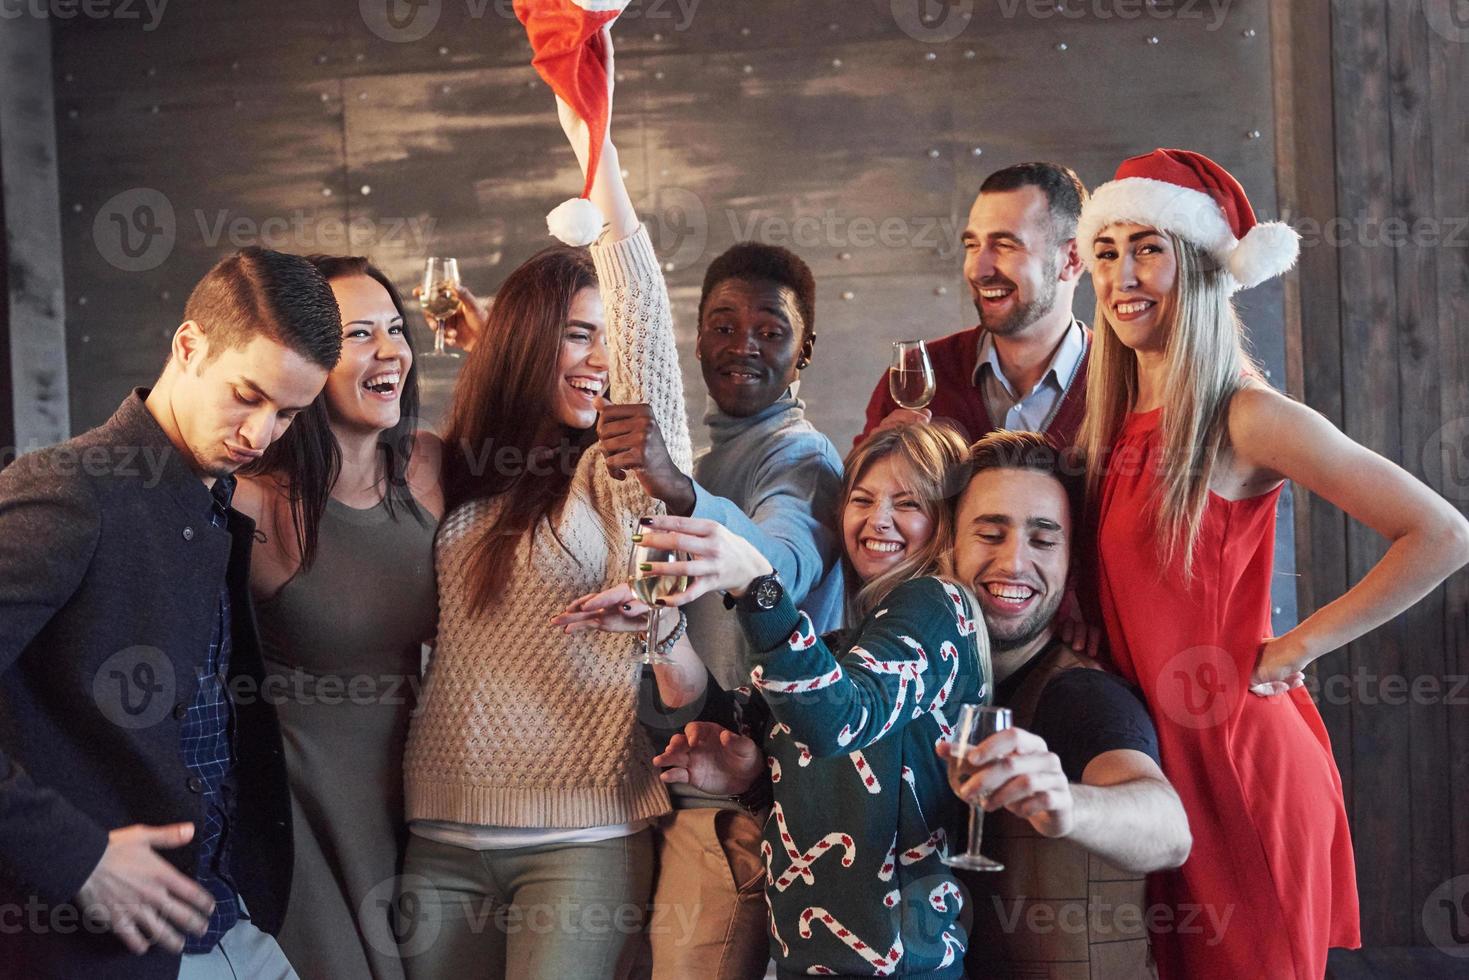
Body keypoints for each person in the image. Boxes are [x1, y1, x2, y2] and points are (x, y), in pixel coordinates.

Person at [1077, 148, 1469, 979]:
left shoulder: (1245, 416)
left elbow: (1440, 533)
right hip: (1158, 779)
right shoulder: (1111, 422)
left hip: (1242, 771)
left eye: (1147, 246)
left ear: (1197, 263)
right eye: (1105, 252)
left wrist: (1296, 648)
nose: (1121, 275)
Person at [395, 30, 698, 978]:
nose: (599, 358)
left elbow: (639, 309)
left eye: (605, 339)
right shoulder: (465, 468)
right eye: (574, 336)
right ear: (526, 346)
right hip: (438, 831)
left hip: (584, 837)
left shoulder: (622, 464)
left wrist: (590, 128)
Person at [0, 247, 341, 978]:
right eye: (246, 395)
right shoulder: (67, 491)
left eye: (287, 414)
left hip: (230, 920)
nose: (259, 435)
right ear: (188, 347)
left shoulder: (214, 501)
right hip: (103, 942)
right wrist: (80, 857)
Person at [561, 422, 989, 978]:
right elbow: (736, 724)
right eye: (862, 499)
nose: (878, 519)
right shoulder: (841, 646)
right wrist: (664, 633)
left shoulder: (938, 605)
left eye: (906, 504)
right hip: (806, 960)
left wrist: (757, 583)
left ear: (943, 523)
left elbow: (836, 719)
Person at [580, 241, 844, 979]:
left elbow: (779, 569)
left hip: (739, 802)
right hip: (685, 786)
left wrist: (675, 488)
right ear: (696, 337)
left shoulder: (803, 457)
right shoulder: (710, 455)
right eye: (722, 325)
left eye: (770, 329)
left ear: (805, 351)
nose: (742, 347)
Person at [234, 255, 446, 980]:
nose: (389, 351)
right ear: (305, 360)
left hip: (426, 801)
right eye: (359, 334)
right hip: (302, 815)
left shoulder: (431, 466)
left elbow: (556, 454)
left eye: (394, 329)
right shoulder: (252, 501)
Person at [937, 430, 1191, 978]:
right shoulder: (934, 685)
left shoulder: (1081, 694)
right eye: (990, 532)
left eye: (1043, 540)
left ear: (1071, 567)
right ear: (948, 549)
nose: (1014, 561)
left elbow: (1169, 831)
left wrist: (1067, 803)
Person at [859, 162, 1091, 449]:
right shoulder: (915, 377)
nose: (978, 270)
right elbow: (857, 491)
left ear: (1072, 259)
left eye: (1005, 245)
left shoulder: (1129, 384)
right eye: (972, 245)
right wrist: (876, 462)